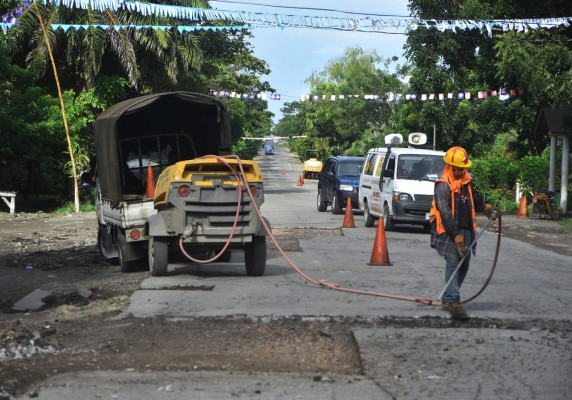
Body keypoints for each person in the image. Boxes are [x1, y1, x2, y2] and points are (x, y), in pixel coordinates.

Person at [429, 146, 497, 320]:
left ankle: (448, 297)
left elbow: (472, 198)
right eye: (455, 168)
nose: (458, 171)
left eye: (461, 168)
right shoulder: (442, 185)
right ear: (450, 167)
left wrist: (485, 207)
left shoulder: (467, 182)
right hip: (448, 229)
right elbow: (444, 213)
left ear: (465, 168)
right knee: (453, 262)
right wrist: (455, 236)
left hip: (466, 228)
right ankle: (452, 301)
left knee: (464, 263)